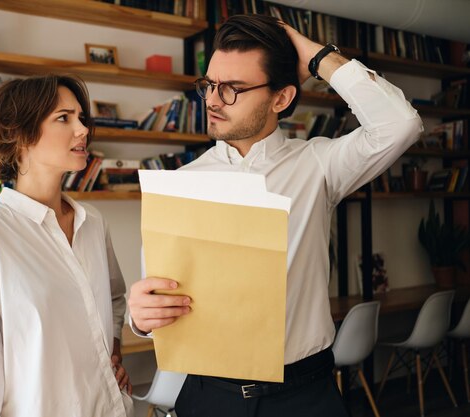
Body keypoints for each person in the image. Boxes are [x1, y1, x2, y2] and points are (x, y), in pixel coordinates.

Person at [128, 14, 422, 417]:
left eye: (232, 89)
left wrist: (315, 56)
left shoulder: (319, 164)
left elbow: (400, 124)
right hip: (207, 396)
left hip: (305, 395)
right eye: (210, 85)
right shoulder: (182, 181)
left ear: (281, 99)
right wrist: (140, 318)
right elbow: (156, 295)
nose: (213, 101)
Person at [0, 74, 133, 417]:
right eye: (64, 118)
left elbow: (115, 298)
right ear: (19, 134)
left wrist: (111, 353)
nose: (83, 129)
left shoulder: (93, 222)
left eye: (81, 117)